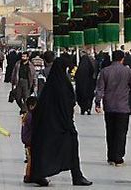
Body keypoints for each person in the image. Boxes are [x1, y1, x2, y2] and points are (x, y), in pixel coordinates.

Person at [30, 53, 93, 186]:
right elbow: (65, 106)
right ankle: (77, 176)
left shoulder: (51, 86)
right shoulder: (62, 86)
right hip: (62, 125)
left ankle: (38, 174)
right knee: (72, 148)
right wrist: (69, 125)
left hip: (49, 126)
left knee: (45, 150)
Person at [94, 50, 131, 166]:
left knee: (110, 132)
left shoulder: (105, 71)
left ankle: (111, 156)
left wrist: (98, 102)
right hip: (123, 107)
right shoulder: (127, 71)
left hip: (109, 106)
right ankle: (118, 157)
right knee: (121, 132)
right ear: (122, 59)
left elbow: (100, 88)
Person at [21, 96, 37, 184]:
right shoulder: (30, 116)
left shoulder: (27, 115)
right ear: (31, 106)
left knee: (31, 158)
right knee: (31, 159)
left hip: (27, 140)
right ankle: (28, 176)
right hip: (30, 140)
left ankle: (30, 175)